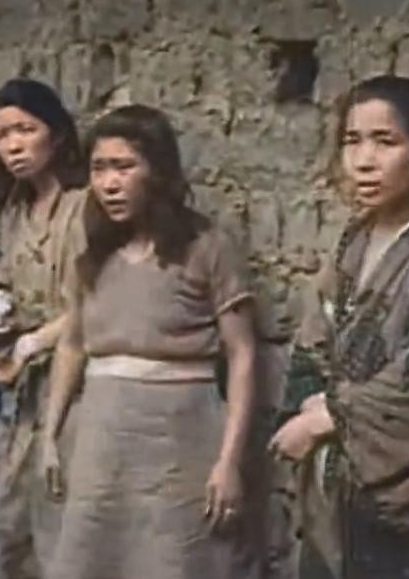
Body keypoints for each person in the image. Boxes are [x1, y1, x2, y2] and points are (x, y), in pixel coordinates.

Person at [269, 76, 409, 579]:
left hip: (404, 503)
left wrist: (329, 416)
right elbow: (314, 340)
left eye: (385, 142)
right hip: (335, 490)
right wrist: (306, 400)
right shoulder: (354, 240)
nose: (363, 161)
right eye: (352, 141)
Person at [41, 104, 259, 579]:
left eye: (124, 167)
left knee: (175, 560)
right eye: (99, 168)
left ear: (157, 171)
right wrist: (51, 435)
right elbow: (72, 344)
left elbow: (242, 354)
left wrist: (229, 462)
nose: (109, 183)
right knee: (90, 556)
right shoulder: (93, 250)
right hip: (101, 433)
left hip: (180, 435)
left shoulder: (206, 246)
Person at [0, 79, 87, 579]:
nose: (14, 146)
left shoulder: (83, 208)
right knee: (11, 515)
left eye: (26, 130)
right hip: (23, 387)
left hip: (76, 380)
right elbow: (9, 278)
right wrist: (0, 309)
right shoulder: (14, 211)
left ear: (57, 136)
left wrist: (40, 339)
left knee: (59, 508)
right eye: (3, 135)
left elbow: (97, 300)